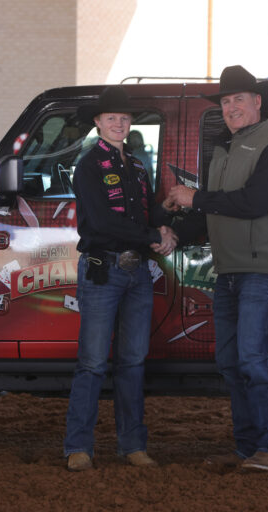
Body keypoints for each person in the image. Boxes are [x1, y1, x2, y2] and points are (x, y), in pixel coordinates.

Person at [165, 65, 268, 471]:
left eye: (238, 99)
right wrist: (173, 232)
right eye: (225, 101)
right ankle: (249, 450)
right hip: (231, 271)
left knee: (253, 358)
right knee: (232, 362)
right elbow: (215, 213)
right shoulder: (224, 151)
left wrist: (195, 198)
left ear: (258, 102)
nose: (231, 107)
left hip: (262, 269)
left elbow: (254, 203)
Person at [64, 85, 177, 471]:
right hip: (103, 270)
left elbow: (144, 218)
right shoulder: (89, 165)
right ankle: (78, 447)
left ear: (130, 124)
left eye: (124, 118)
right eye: (111, 117)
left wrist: (169, 218)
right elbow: (101, 221)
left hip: (136, 274)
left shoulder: (139, 167)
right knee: (93, 363)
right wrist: (153, 236)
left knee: (132, 363)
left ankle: (133, 446)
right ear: (97, 123)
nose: (118, 122)